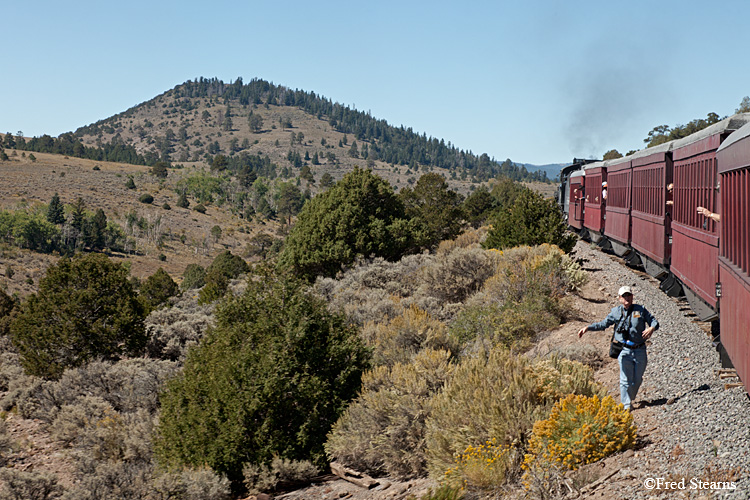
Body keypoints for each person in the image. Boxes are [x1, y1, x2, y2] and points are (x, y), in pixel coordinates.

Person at [577, 286, 658, 410]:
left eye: (629, 295)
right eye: (624, 296)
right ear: (620, 298)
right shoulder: (615, 312)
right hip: (624, 350)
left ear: (632, 297)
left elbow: (654, 321)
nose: (627, 298)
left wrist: (651, 328)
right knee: (625, 379)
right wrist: (588, 328)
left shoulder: (640, 310)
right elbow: (603, 324)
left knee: (637, 379)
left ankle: (629, 398)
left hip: (640, 349)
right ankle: (626, 405)